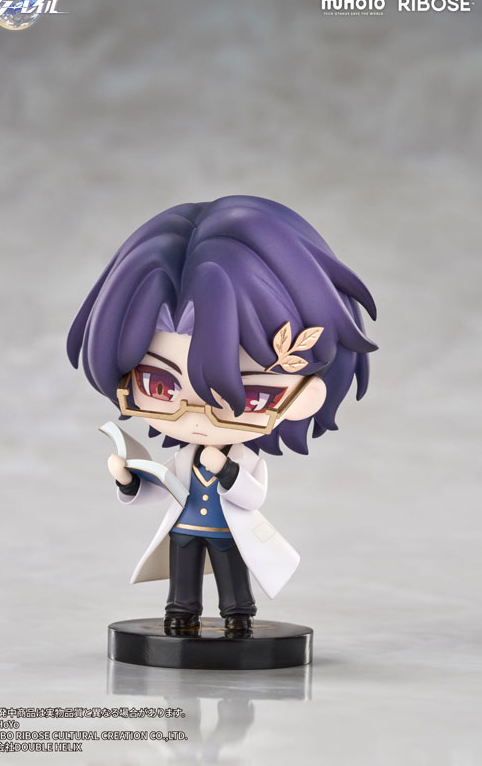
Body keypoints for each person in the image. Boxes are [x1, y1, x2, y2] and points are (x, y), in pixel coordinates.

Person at [67, 195, 377, 634]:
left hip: (229, 531)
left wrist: (227, 471)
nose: (196, 417)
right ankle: (181, 611)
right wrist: (127, 479)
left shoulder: (243, 458)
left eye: (248, 394)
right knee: (184, 575)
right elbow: (162, 487)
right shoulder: (184, 458)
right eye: (159, 386)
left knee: (232, 574)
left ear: (306, 396)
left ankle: (238, 613)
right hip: (185, 529)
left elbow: (253, 497)